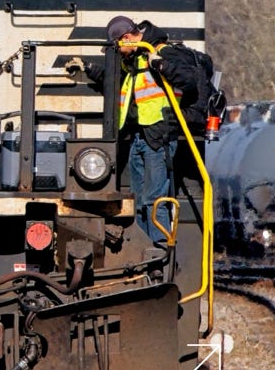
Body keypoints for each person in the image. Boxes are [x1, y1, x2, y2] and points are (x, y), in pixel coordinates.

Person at [67, 15, 198, 244]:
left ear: (127, 38)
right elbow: (116, 81)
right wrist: (88, 68)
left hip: (158, 137)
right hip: (139, 138)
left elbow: (189, 80)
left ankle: (160, 249)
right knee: (138, 202)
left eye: (118, 46)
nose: (118, 51)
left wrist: (162, 65)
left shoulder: (162, 52)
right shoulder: (135, 60)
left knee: (154, 200)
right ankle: (143, 248)